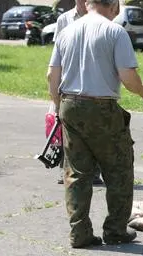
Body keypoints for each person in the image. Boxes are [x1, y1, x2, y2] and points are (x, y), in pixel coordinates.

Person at [47, 0, 143, 248]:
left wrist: (58, 105)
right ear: (114, 5)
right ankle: (116, 230)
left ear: (87, 3)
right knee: (118, 170)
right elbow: (128, 77)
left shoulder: (66, 31)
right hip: (102, 108)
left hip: (69, 104)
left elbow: (52, 75)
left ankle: (79, 233)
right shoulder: (115, 31)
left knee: (76, 172)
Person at [52, 0, 104, 185]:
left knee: (95, 129)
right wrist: (55, 86)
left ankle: (94, 172)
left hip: (94, 80)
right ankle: (66, 171)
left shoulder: (101, 18)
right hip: (69, 80)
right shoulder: (64, 19)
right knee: (65, 129)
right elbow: (57, 54)